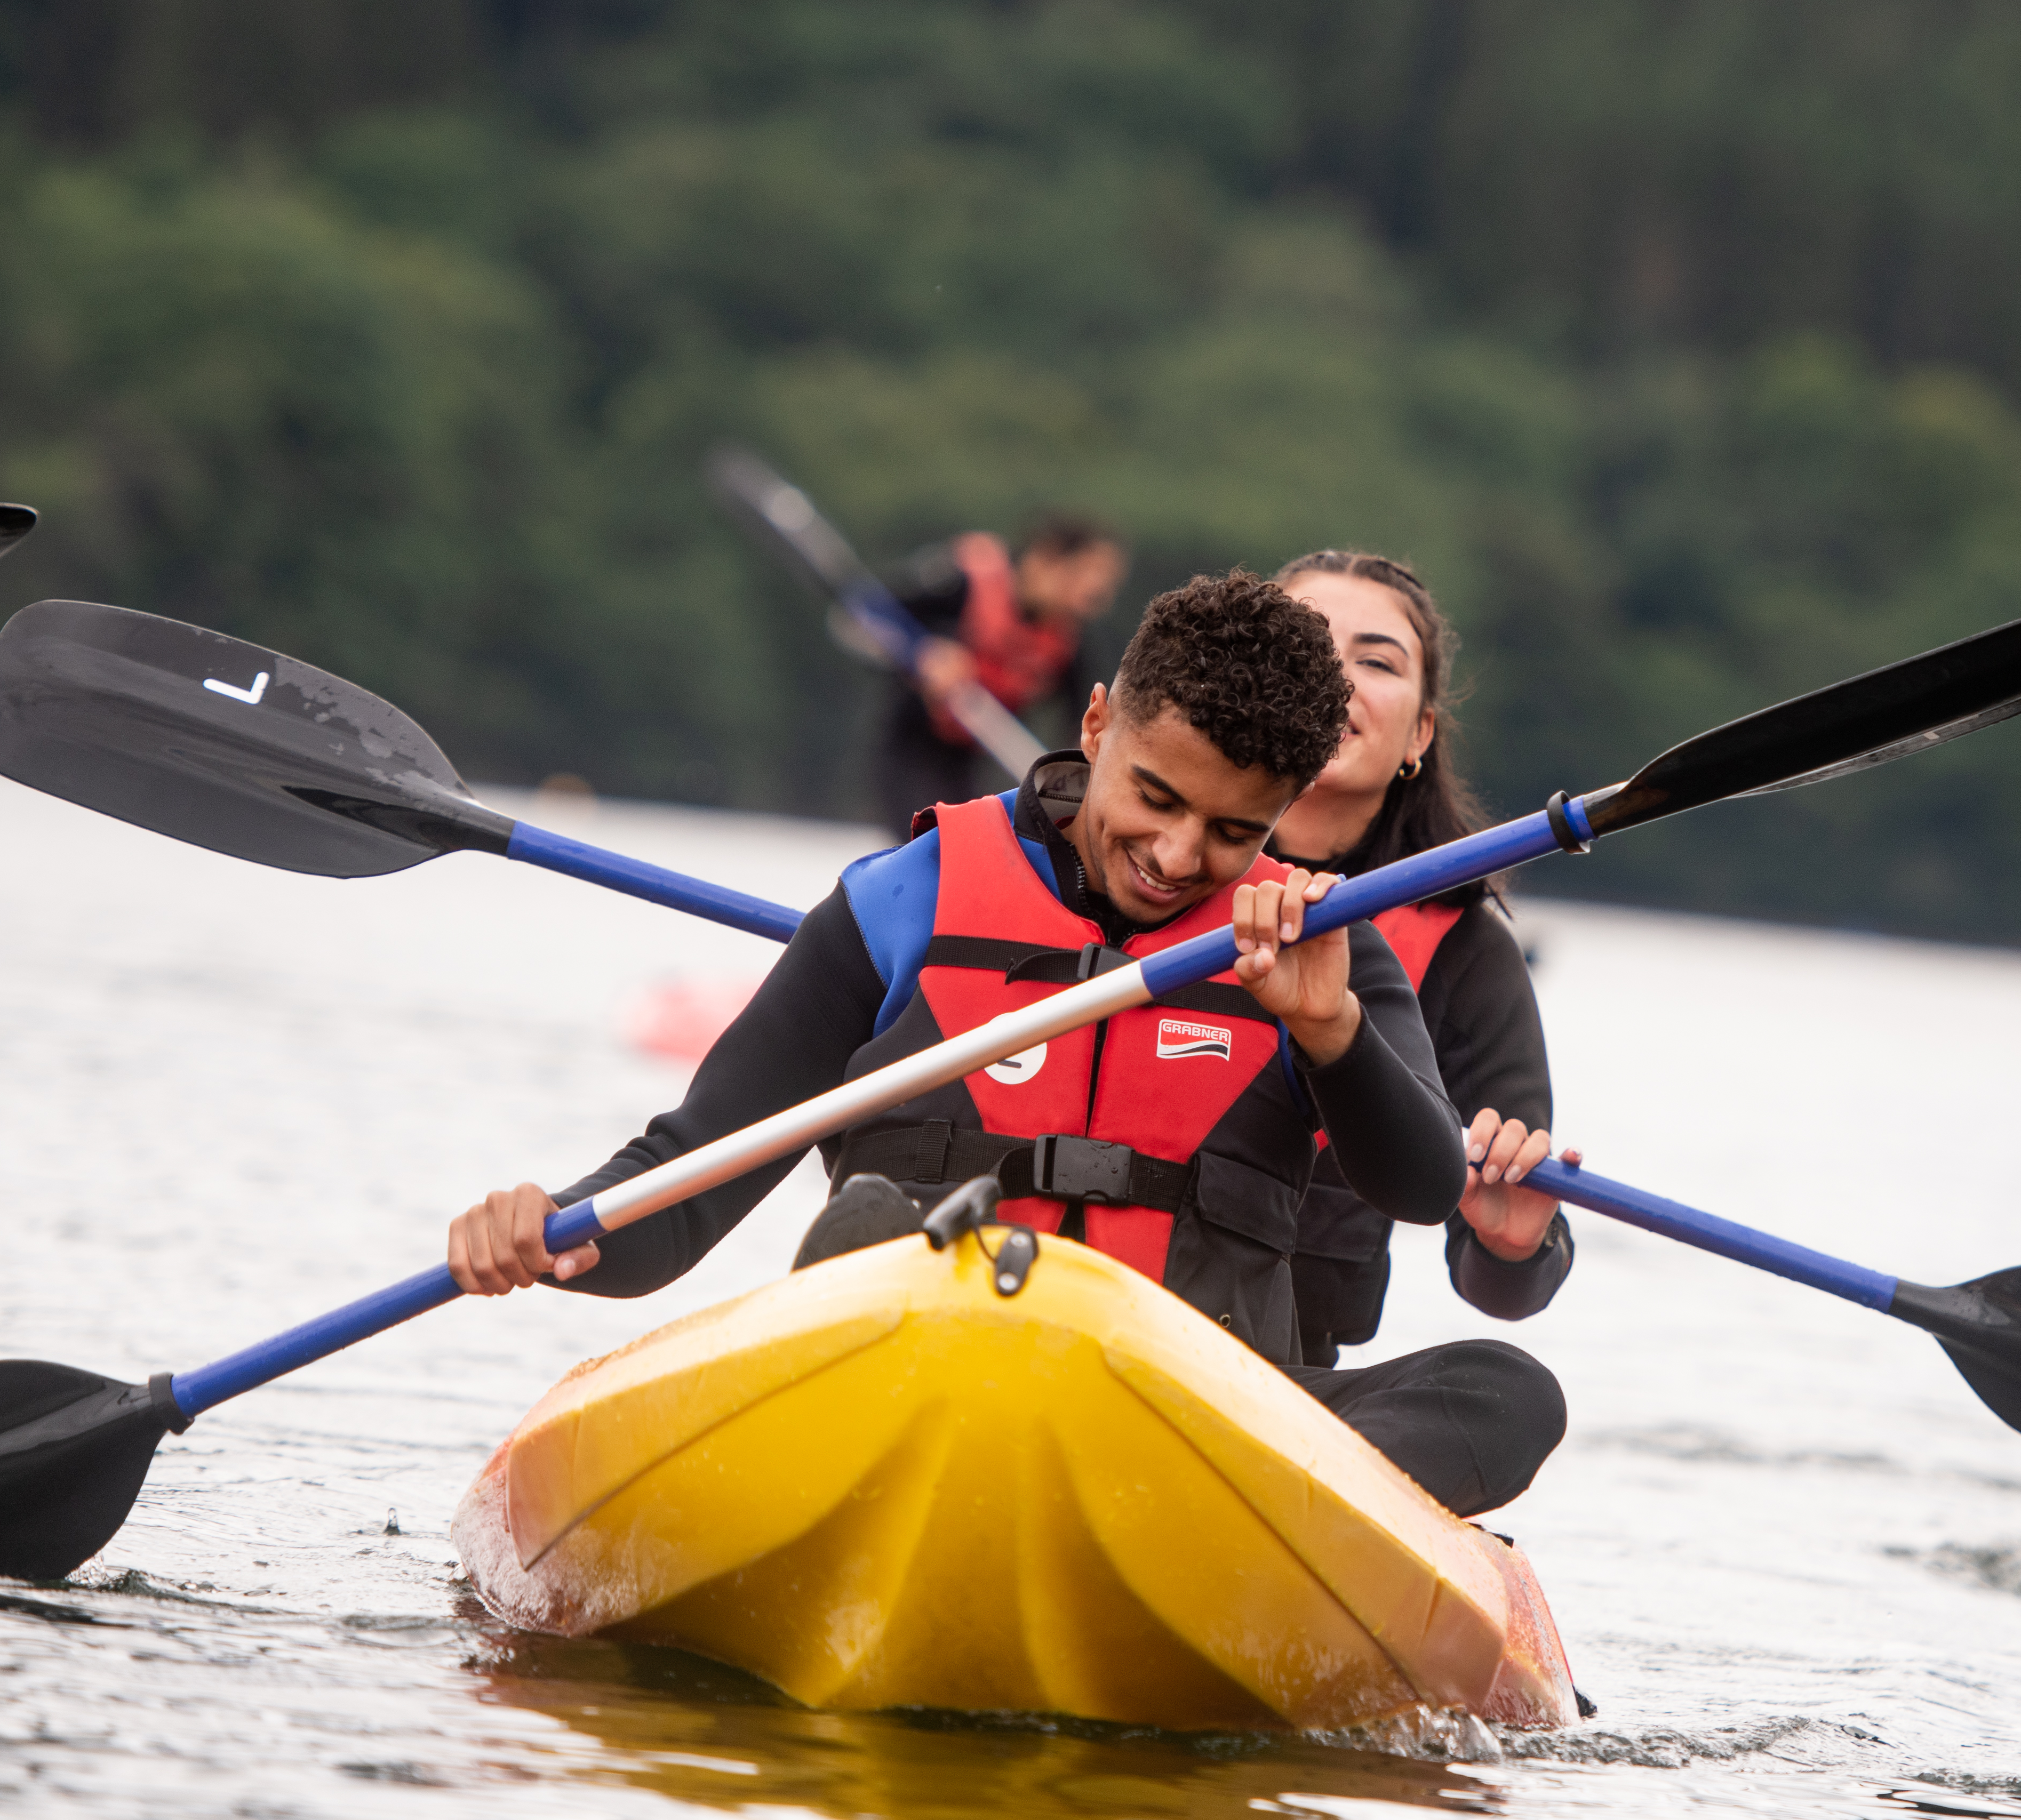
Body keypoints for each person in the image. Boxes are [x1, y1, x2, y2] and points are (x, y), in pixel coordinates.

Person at [453, 568, 1569, 1518]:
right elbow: (691, 1176)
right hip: (919, 1362)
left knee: (1512, 1395)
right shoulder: (907, 899)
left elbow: (1424, 1186)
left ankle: (1234, 1507)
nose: (1178, 856)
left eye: (1235, 832)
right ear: (1096, 726)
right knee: (875, 1229)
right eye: (1156, 797)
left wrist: (1327, 1027)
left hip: (1194, 1420)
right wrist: (555, 1229)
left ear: (1281, 811)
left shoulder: (1329, 948)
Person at [1264, 549, 1574, 1357]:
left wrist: (1513, 1245)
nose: (1336, 678)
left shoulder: (1465, 949)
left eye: (1376, 661)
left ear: (1419, 733)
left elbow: (1504, 1285)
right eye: (1303, 642)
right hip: (1062, 1297)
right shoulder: (1137, 864)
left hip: (1272, 1368)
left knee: (1501, 1392)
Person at [870, 510, 1125, 837]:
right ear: (1046, 558)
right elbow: (873, 616)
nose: (1097, 600)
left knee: (967, 845)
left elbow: (1080, 722)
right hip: (912, 746)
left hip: (967, 762)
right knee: (928, 844)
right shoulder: (967, 581)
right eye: (1085, 579)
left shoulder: (1064, 638)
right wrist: (922, 654)